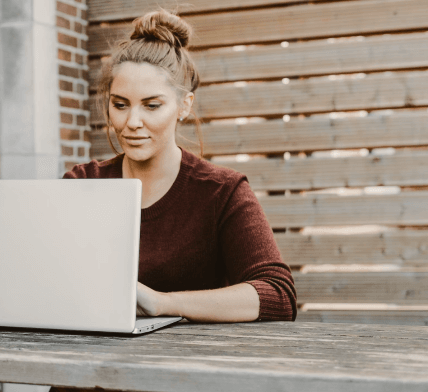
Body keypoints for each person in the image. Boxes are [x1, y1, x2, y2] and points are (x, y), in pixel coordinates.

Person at [51, 9, 296, 392]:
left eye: (151, 105)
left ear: (184, 106)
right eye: (120, 104)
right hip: (86, 380)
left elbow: (277, 295)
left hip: (179, 381)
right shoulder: (81, 184)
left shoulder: (222, 191)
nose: (132, 121)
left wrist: (163, 303)